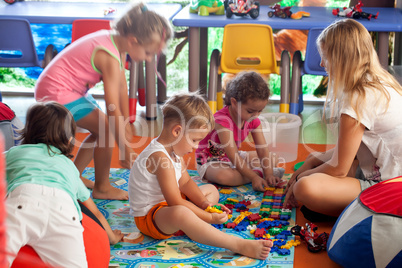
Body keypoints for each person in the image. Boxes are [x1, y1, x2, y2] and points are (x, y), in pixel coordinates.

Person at [35, 2, 173, 200]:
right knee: (106, 129)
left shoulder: (118, 44)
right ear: (133, 40)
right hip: (56, 91)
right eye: (148, 53)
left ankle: (75, 175)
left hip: (70, 89)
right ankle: (102, 187)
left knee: (103, 130)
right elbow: (112, 106)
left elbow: (122, 88)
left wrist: (128, 122)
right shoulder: (107, 55)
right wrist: (124, 149)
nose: (149, 59)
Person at [129, 92, 273, 260]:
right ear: (177, 131)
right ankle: (237, 244)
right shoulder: (160, 158)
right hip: (150, 218)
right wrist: (209, 217)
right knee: (181, 213)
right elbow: (175, 202)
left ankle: (194, 226)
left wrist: (205, 205)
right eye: (195, 140)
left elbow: (186, 182)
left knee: (211, 190)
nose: (197, 147)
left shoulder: (173, 151)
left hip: (168, 205)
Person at [284, 19, 402, 221]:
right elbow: (351, 151)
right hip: (382, 170)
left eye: (325, 58)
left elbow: (338, 169)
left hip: (390, 187)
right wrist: (312, 160)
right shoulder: (378, 80)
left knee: (304, 187)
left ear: (341, 59)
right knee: (316, 166)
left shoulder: (359, 97)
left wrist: (300, 178)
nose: (322, 64)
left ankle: (362, 213)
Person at [5, 102, 124, 268]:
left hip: (21, 204)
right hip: (63, 212)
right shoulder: (69, 168)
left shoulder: (14, 153)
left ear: (27, 131)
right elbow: (94, 210)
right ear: (69, 140)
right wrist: (111, 236)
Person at [195, 71, 284, 192]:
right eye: (251, 111)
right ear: (234, 103)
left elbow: (262, 149)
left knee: (273, 158)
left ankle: (258, 173)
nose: (256, 115)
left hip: (234, 156)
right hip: (211, 160)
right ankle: (257, 174)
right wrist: (253, 177)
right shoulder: (222, 120)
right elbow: (233, 155)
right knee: (225, 177)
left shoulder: (253, 119)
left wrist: (268, 174)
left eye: (260, 111)